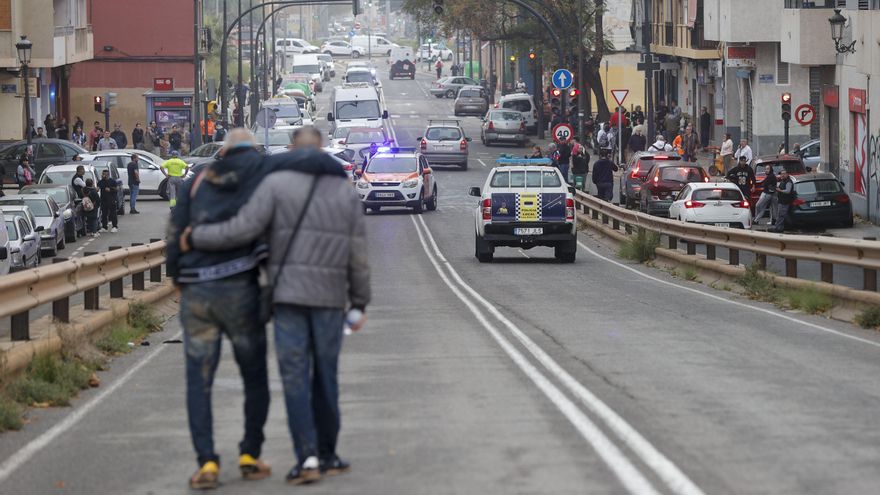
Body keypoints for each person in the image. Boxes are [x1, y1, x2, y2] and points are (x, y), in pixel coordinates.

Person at [173, 128, 363, 488]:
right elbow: (356, 251)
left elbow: (212, 230)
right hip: (289, 293)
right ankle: (285, 454)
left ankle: (219, 463)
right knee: (291, 375)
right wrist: (360, 300)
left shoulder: (219, 181)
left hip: (239, 291)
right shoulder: (301, 181)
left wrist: (186, 260)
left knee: (212, 381)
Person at [770, 169, 794, 233]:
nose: (782, 175)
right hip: (781, 201)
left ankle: (777, 227)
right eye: (781, 174)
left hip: (785, 202)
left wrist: (780, 190)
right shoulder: (782, 181)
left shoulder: (788, 181)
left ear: (787, 174)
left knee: (781, 215)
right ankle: (780, 227)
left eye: (784, 173)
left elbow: (788, 191)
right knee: (780, 215)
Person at [96, 168, 118, 233]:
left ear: (107, 175)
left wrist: (110, 189)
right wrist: (97, 189)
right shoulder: (100, 181)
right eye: (102, 174)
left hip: (111, 199)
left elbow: (116, 189)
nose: (103, 175)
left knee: (113, 213)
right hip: (103, 200)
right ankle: (104, 227)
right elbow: (98, 187)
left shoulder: (112, 181)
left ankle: (115, 226)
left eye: (104, 174)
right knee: (104, 214)